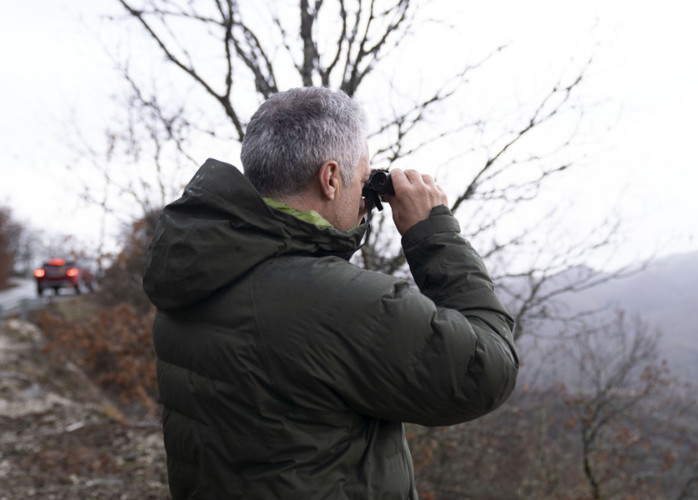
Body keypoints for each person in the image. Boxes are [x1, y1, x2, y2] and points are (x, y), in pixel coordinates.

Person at [143, 86, 519, 499]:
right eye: (363, 179)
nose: (365, 198)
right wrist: (433, 233)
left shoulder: (193, 270)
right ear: (331, 178)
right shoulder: (337, 302)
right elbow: (488, 371)